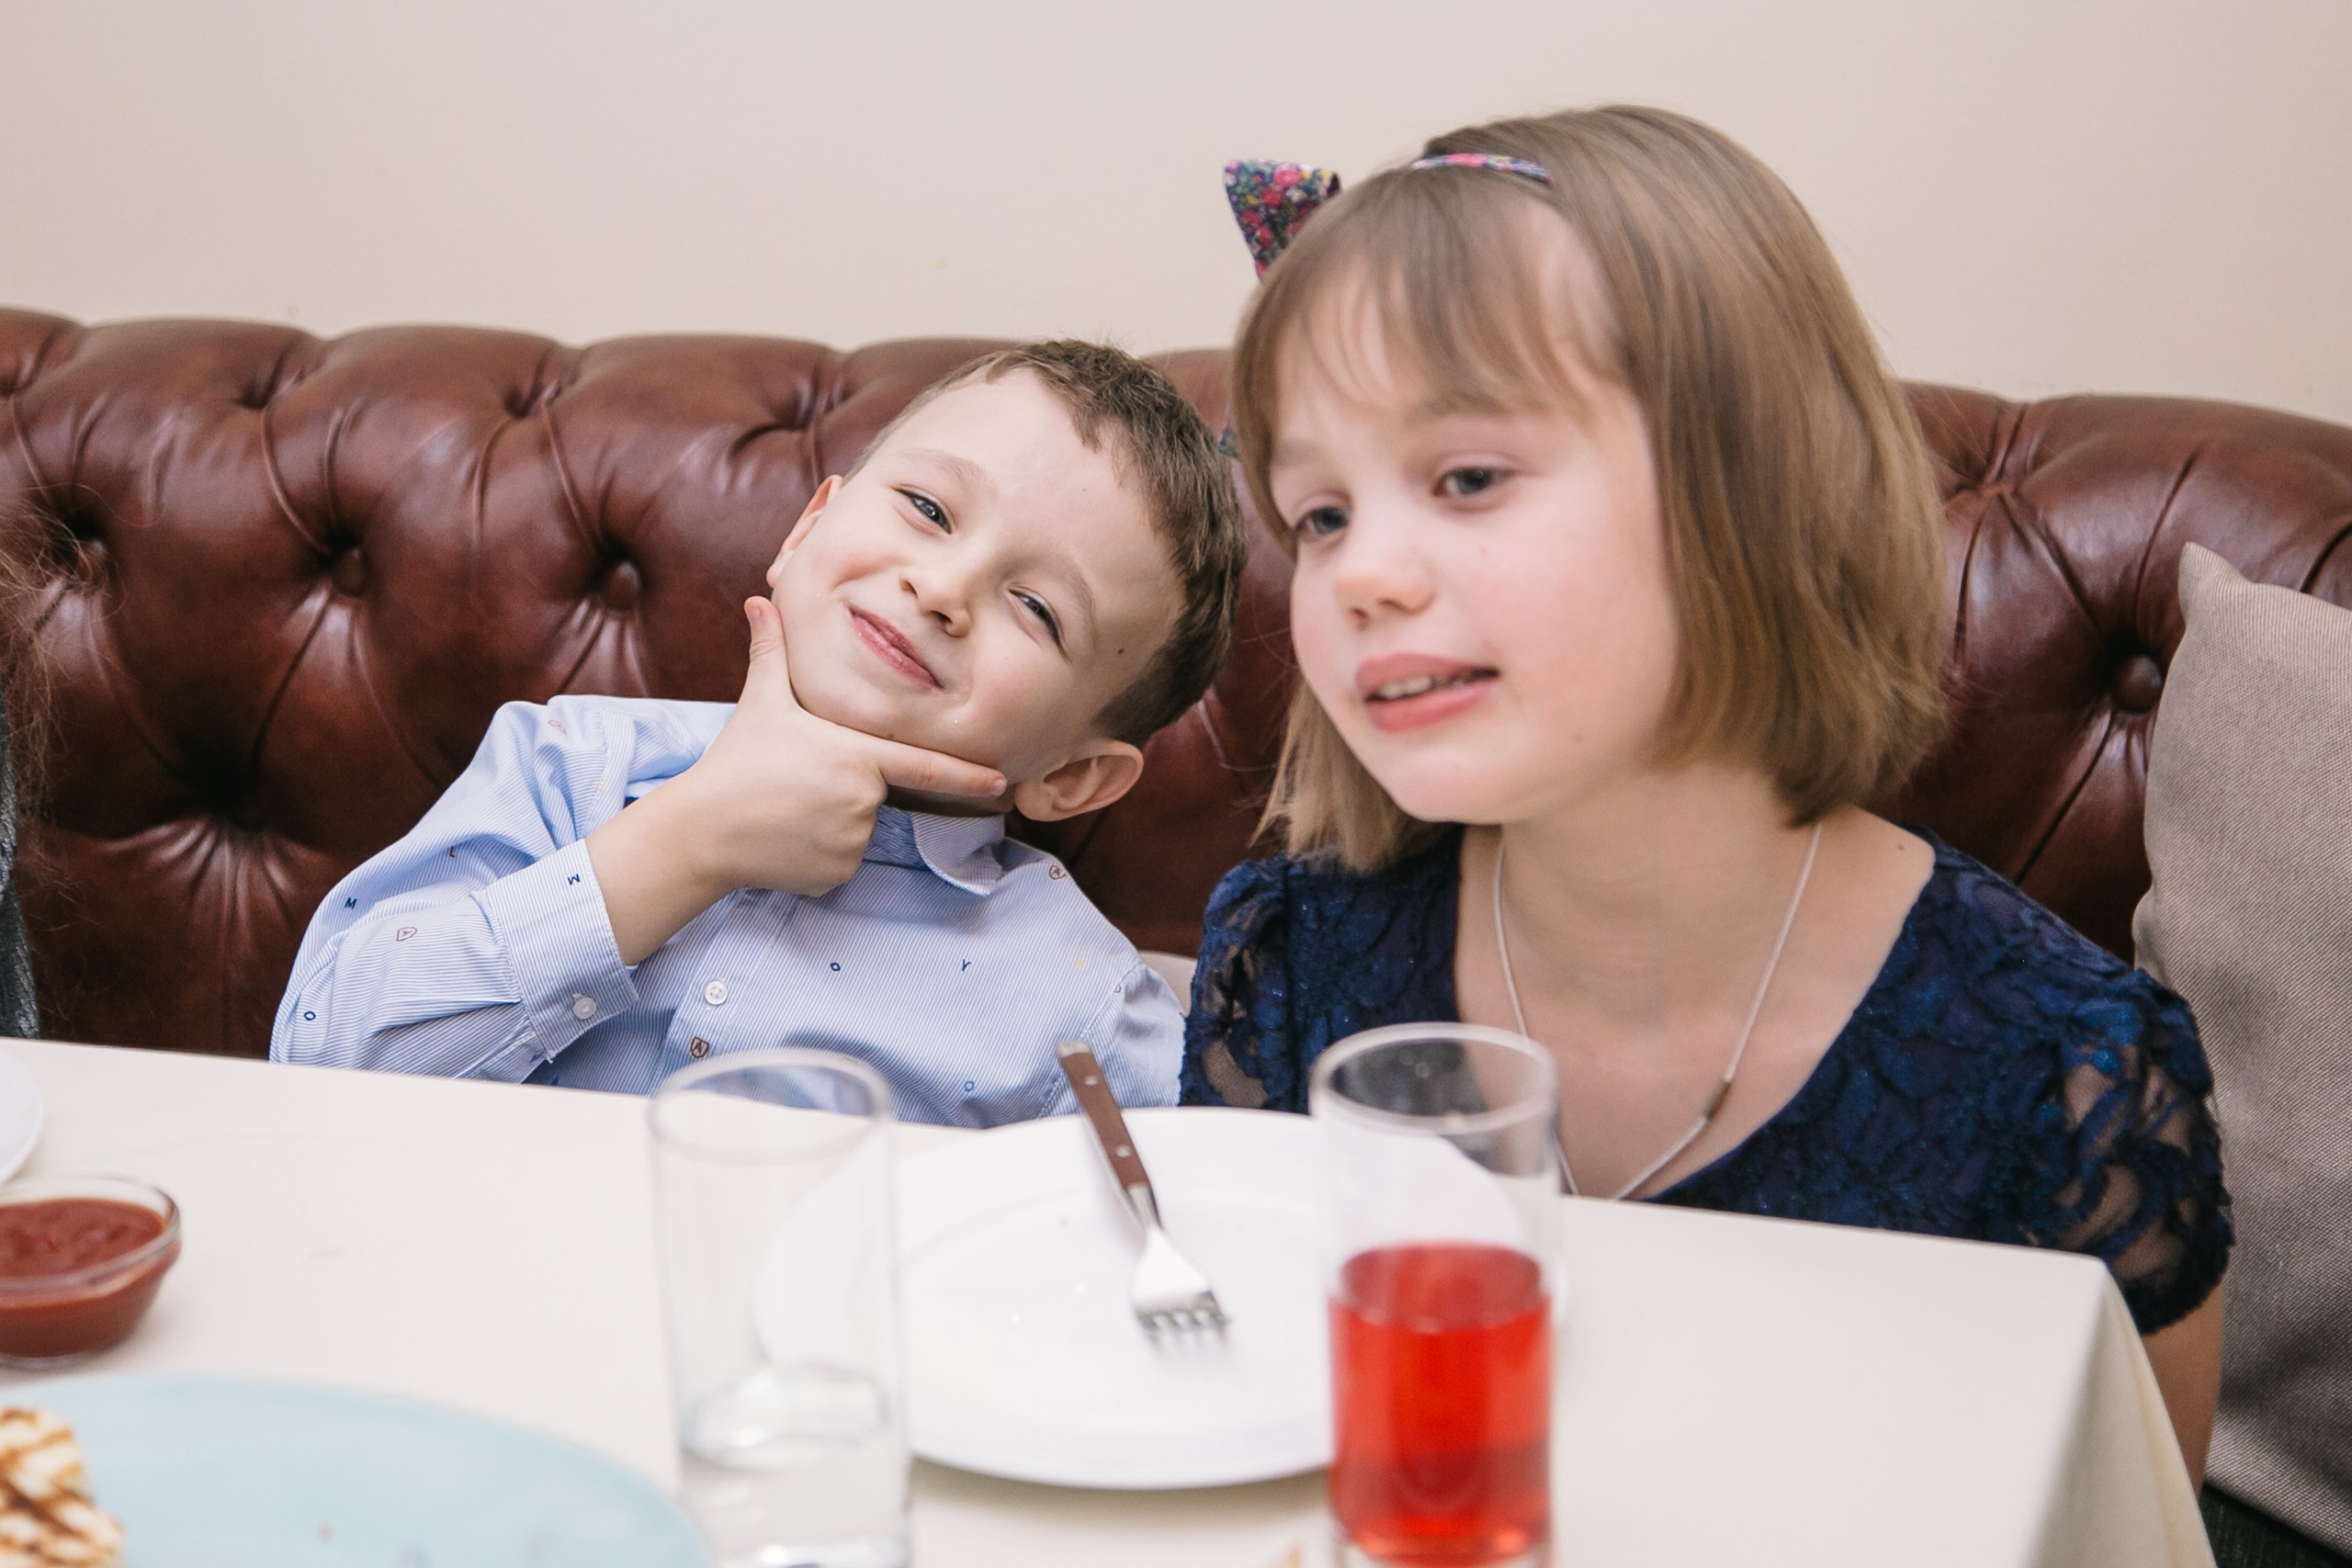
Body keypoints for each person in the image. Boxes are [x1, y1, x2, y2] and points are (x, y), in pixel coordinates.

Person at [1183, 110, 2232, 1478]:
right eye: (1319, 512)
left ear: (1751, 485)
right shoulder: (1288, 960)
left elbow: (2117, 1523)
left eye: (1469, 476)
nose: (1361, 571)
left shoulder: (2066, 1073)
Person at [275, 341, 1247, 1126]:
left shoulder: (1077, 1007)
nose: (942, 589)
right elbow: (318, 1062)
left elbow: (1204, 1237)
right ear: (804, 532)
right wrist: (688, 839)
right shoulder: (566, 764)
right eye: (927, 509)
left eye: (1035, 607)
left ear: (1074, 777)